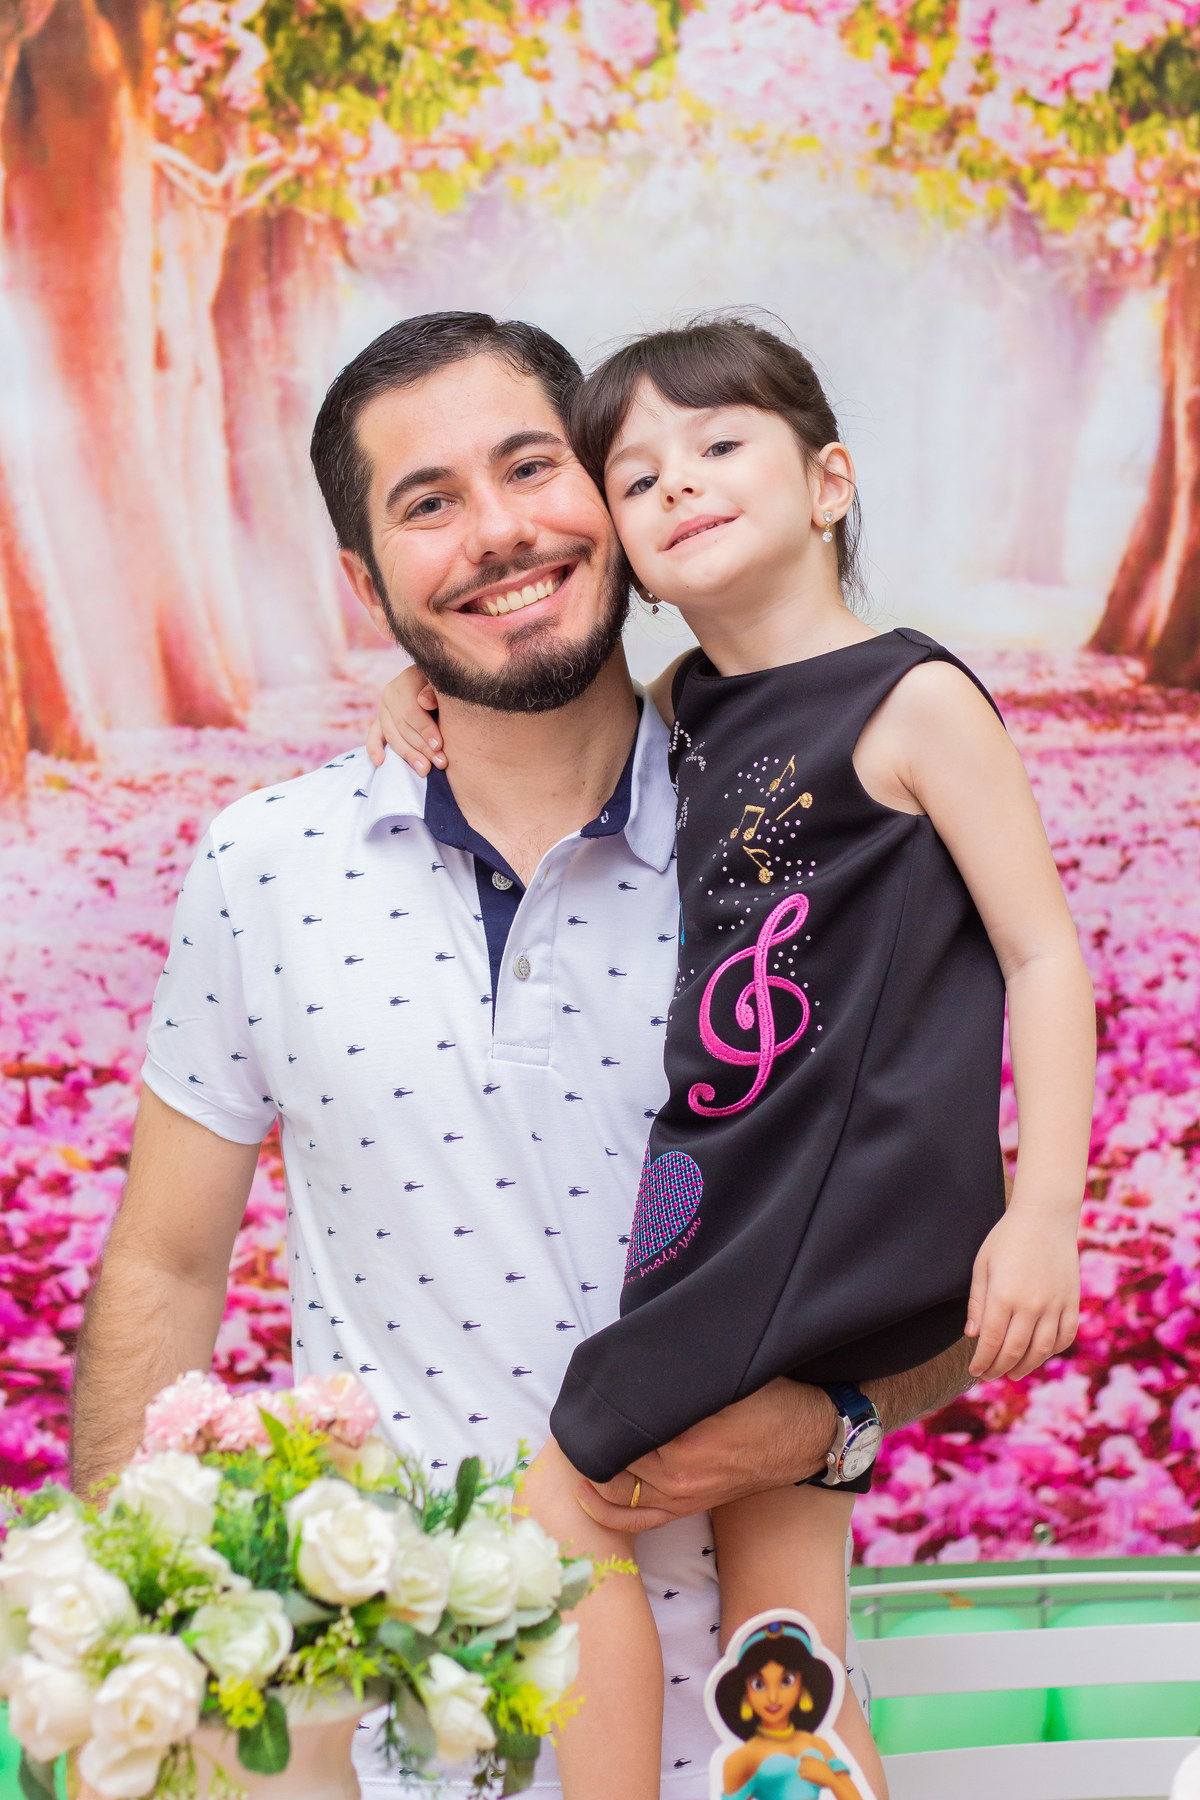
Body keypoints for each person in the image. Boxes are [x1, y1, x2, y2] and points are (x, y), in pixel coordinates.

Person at [70, 311, 982, 1799]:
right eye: (428, 503)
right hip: (378, 1751)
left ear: (616, 500)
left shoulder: (801, 845)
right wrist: (143, 1652)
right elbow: (168, 1270)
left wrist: (831, 1418)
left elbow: (950, 1257)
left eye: (530, 468)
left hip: (755, 1740)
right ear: (369, 584)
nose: (499, 534)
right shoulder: (265, 867)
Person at [371, 313, 1096, 1797]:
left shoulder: (913, 700)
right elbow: (547, 738)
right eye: (633, 478)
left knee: (571, 1494)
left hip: (822, 1205)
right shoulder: (683, 711)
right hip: (740, 1195)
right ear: (624, 549)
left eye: (718, 446)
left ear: (828, 482)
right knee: (786, 1648)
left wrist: (1045, 1211)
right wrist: (419, 691)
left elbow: (1044, 956)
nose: (677, 485)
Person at [713, 1620, 862, 1800]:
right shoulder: (739, 1758)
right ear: (745, 1692)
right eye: (759, 1684)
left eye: (786, 1681)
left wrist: (830, 1779)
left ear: (802, 1684)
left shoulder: (819, 1744)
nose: (773, 1697)